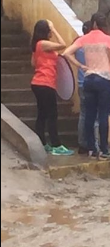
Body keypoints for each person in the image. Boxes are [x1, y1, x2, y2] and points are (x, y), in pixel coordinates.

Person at [63, 13, 110, 160]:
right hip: (104, 80)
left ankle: (91, 149)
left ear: (93, 24)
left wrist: (81, 66)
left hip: (89, 79)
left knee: (89, 115)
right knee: (103, 115)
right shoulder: (109, 40)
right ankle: (104, 150)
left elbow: (66, 53)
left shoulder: (84, 39)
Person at [30, 20, 74, 156]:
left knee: (42, 114)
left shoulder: (37, 46)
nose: (50, 32)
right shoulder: (43, 44)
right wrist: (54, 29)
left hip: (39, 83)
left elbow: (33, 63)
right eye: (48, 30)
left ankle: (42, 142)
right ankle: (56, 144)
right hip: (45, 83)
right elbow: (63, 44)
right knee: (52, 114)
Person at [74, 21, 100, 154]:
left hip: (81, 83)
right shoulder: (93, 46)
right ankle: (94, 145)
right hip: (93, 82)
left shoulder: (78, 44)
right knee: (94, 116)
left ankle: (82, 144)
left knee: (83, 114)